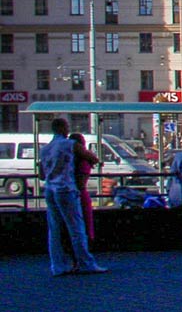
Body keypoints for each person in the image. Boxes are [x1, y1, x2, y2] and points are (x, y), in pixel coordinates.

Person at [41, 118, 106, 276]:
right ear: (62, 128)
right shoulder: (69, 144)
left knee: (54, 230)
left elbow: (42, 174)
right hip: (66, 188)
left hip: (50, 189)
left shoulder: (45, 149)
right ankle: (86, 263)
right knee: (76, 228)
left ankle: (58, 266)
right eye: (67, 127)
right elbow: (92, 158)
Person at [68, 133, 99, 241]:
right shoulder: (85, 160)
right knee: (85, 222)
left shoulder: (70, 160)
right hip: (82, 194)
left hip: (71, 193)